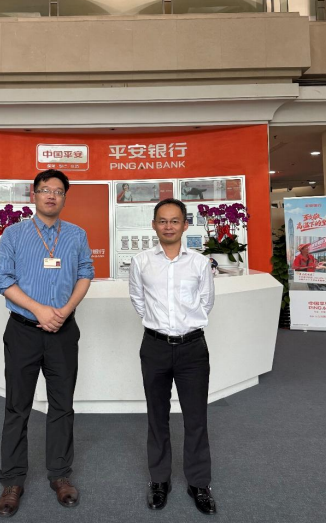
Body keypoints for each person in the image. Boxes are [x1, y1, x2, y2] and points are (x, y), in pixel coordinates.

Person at [0, 169, 94, 517]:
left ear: (65, 198)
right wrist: (39, 310)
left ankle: (60, 475)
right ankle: (12, 480)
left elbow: (86, 273)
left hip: (63, 331)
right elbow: (1, 279)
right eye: (45, 189)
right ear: (33, 195)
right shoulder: (14, 234)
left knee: (62, 405)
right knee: (17, 406)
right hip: (23, 331)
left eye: (58, 191)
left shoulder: (76, 234)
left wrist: (64, 311)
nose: (51, 195)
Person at [129, 198, 217, 515]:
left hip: (192, 349)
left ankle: (199, 483)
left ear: (185, 225)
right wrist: (160, 326)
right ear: (154, 225)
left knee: (196, 418)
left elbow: (206, 302)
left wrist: (183, 327)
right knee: (157, 417)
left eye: (175, 220)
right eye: (163, 221)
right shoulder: (141, 261)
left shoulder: (199, 263)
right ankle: (159, 480)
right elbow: (138, 300)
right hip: (154, 347)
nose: (169, 226)